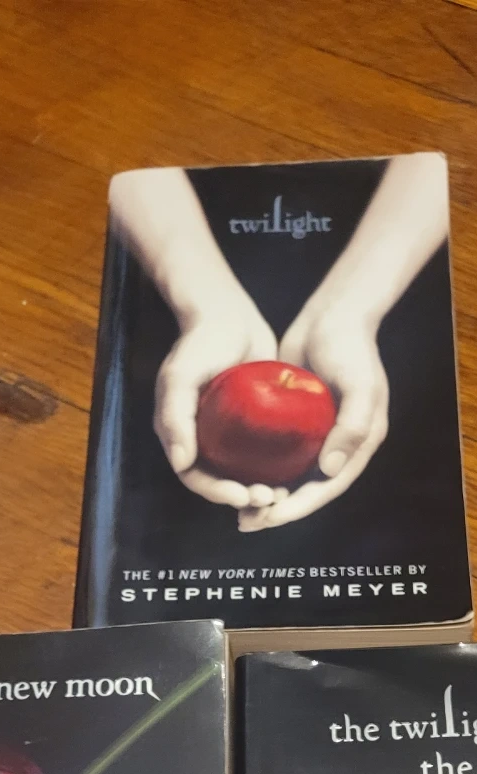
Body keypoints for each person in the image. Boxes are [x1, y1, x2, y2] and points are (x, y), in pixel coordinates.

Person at [108, 153, 450, 531]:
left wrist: (353, 311)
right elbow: (127, 159)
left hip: (398, 285)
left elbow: (437, 161)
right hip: (162, 280)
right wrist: (202, 302)